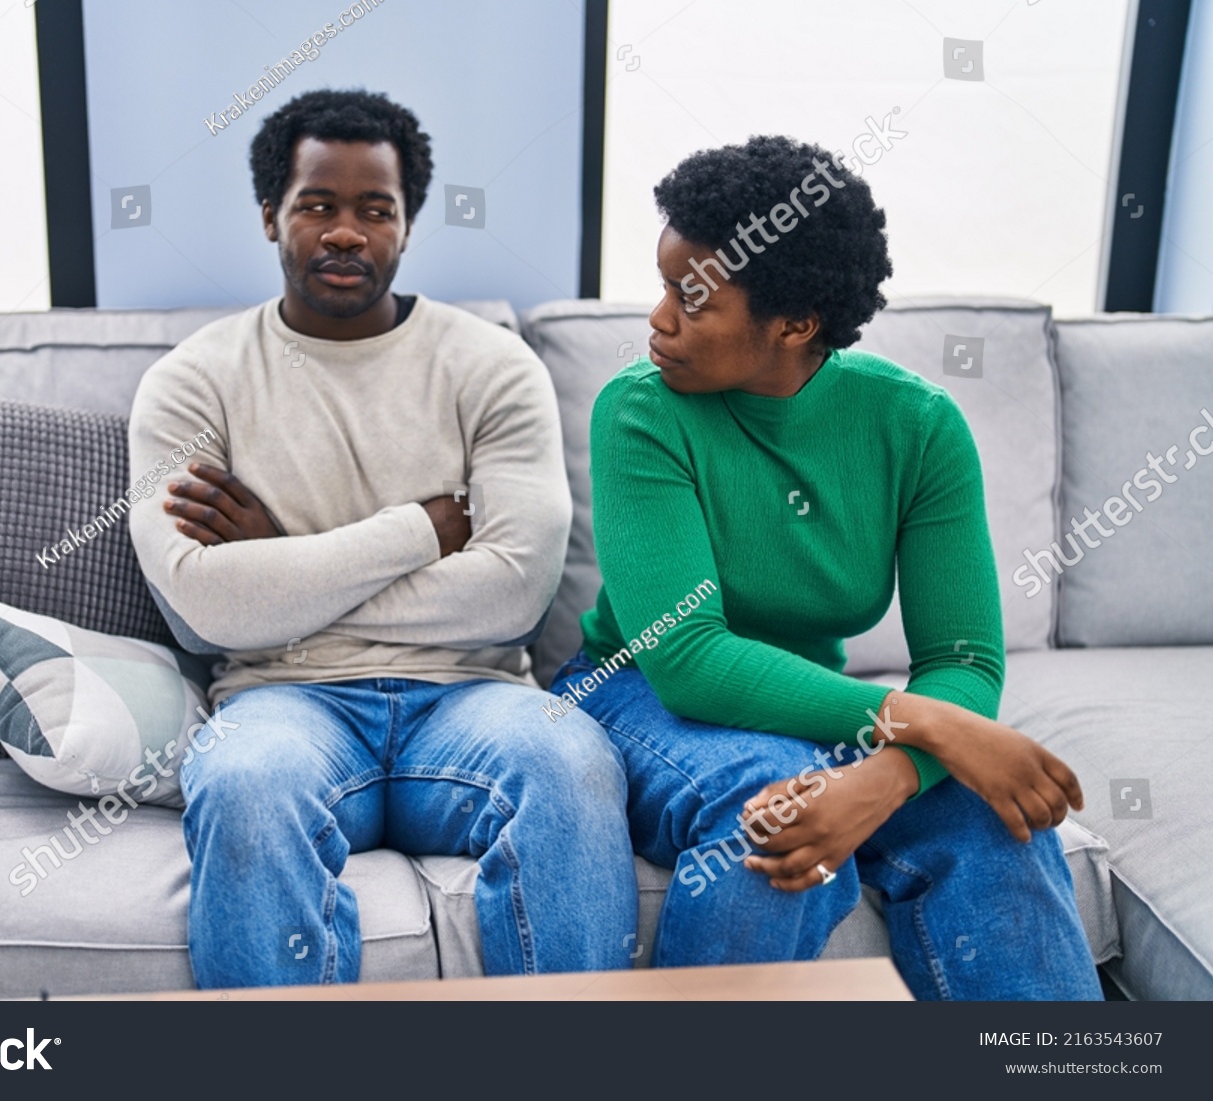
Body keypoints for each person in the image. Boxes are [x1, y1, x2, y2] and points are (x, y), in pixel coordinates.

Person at [551, 135, 1100, 1000]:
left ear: (796, 324)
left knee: (996, 822)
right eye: (663, 286)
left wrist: (889, 772)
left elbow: (964, 657)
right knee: (771, 812)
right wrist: (922, 722)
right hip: (634, 688)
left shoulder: (915, 426)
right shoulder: (639, 411)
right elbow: (687, 654)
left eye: (692, 299)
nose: (658, 319)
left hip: (811, 703)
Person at [128, 89, 637, 988]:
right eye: (317, 204)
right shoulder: (193, 381)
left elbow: (515, 591)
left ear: (408, 224)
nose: (346, 233)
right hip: (287, 707)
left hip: (471, 702)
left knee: (570, 755)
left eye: (376, 209)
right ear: (269, 216)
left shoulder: (491, 365)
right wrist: (420, 529)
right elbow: (204, 611)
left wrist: (283, 566)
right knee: (243, 782)